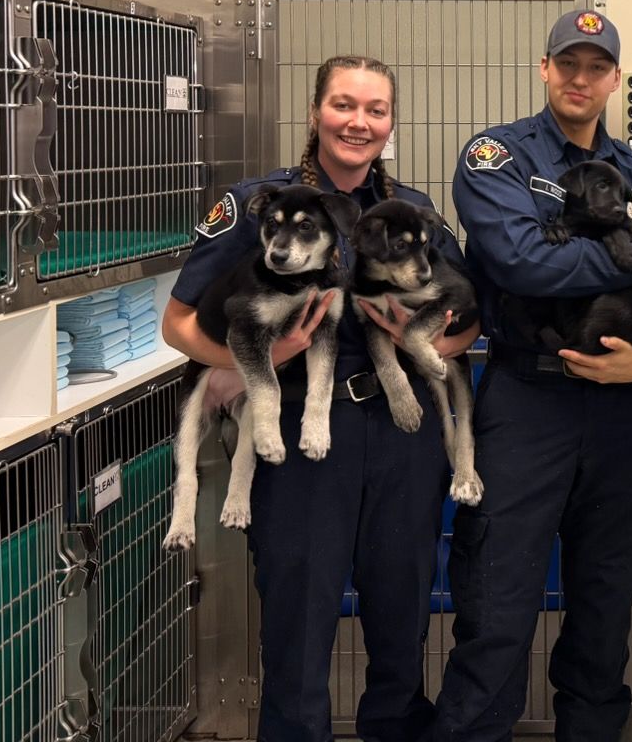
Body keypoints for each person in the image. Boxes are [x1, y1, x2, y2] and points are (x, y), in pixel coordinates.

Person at [163, 54, 478, 742]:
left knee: (401, 618)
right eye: (343, 104)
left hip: (402, 434)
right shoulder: (261, 204)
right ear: (315, 113)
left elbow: (467, 317)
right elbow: (178, 322)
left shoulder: (411, 212)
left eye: (375, 110)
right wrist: (257, 361)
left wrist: (429, 346)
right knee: (300, 623)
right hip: (307, 436)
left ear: (391, 123)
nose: (358, 122)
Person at [427, 8, 632, 742]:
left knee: (604, 613)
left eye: (596, 66)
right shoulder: (496, 159)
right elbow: (518, 263)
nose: (580, 77)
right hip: (525, 403)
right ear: (545, 69)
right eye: (568, 62)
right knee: (497, 611)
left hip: (623, 411)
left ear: (613, 80)